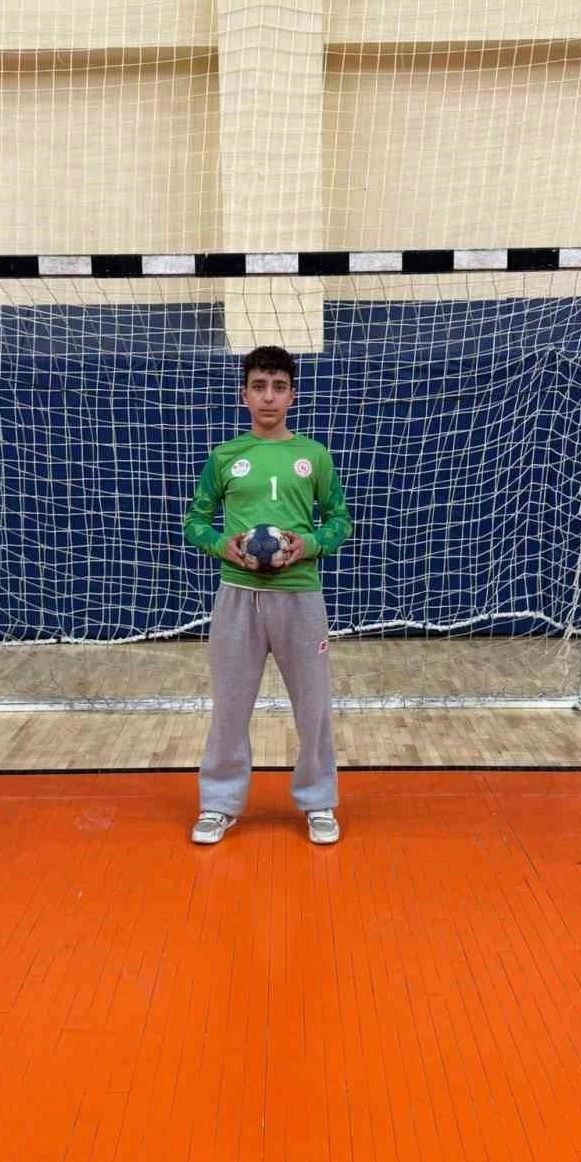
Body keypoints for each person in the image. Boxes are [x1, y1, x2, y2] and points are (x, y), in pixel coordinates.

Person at [183, 345, 352, 845]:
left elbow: (340, 521)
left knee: (313, 707)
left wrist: (310, 545)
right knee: (230, 706)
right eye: (259, 387)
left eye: (279, 387)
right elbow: (195, 521)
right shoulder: (225, 457)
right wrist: (221, 545)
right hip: (238, 596)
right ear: (244, 395)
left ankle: (318, 802)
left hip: (300, 597)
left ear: (292, 395)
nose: (269, 397)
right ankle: (218, 803)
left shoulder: (314, 456)